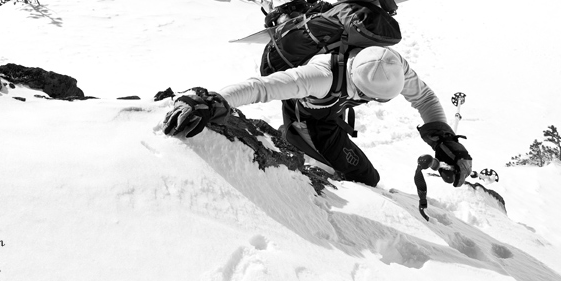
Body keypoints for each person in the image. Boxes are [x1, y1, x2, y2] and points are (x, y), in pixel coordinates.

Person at [162, 46, 472, 188]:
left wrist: (445, 141)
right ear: (363, 91)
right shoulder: (320, 77)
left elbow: (424, 97)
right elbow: (263, 88)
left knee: (366, 175)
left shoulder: (391, 63)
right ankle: (289, 138)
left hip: (329, 116)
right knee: (365, 180)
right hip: (310, 122)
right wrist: (211, 100)